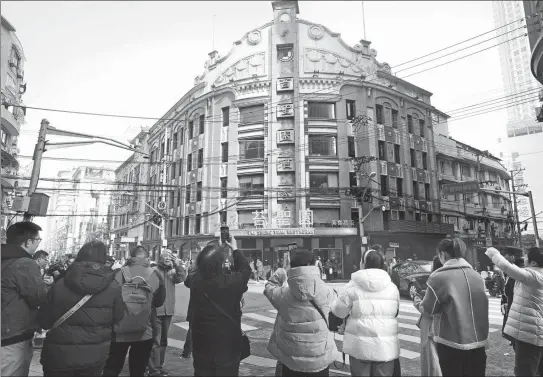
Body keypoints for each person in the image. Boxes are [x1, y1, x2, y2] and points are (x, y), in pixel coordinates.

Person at [37, 241, 125, 376]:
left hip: (59, 356)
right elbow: (118, 317)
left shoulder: (61, 283)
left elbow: (44, 320)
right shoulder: (113, 287)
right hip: (94, 356)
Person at [265, 248, 340, 377]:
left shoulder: (283, 295)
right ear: (313, 265)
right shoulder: (327, 292)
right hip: (320, 359)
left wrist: (283, 270)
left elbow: (269, 287)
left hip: (291, 361)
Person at [419, 238, 488, 376]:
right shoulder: (477, 276)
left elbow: (428, 310)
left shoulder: (438, 277)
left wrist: (419, 303)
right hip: (479, 342)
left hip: (451, 343)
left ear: (443, 254)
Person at [186, 236, 251, 375]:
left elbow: (191, 274)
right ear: (221, 265)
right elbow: (246, 270)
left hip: (201, 344)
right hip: (227, 345)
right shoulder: (231, 282)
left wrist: (216, 252)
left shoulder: (195, 281)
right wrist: (235, 249)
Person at [332, 249, 400, 376]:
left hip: (359, 347)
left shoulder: (352, 286)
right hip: (385, 347)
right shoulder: (392, 287)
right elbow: (395, 312)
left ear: (363, 263)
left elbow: (338, 311)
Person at [103, 246, 166, 377]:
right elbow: (159, 302)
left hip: (119, 330)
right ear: (147, 257)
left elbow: (109, 300)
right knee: (138, 370)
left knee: (112, 368)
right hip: (145, 330)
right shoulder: (155, 275)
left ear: (130, 257)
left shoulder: (119, 273)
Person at [486, 246, 543, 376]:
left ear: (534, 262)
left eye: (526, 256)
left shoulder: (533, 275)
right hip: (536, 331)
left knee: (525, 371)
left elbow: (507, 267)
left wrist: (493, 252)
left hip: (529, 334)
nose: (524, 259)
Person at [1, 222, 48, 377]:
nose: (37, 244)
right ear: (28, 242)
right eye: (37, 240)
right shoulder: (25, 263)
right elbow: (39, 297)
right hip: (13, 338)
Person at [148, 250, 186, 377]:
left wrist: (177, 265)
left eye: (169, 257)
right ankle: (153, 369)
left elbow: (183, 279)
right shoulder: (154, 270)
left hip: (168, 310)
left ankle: (159, 366)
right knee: (155, 340)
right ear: (160, 258)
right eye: (165, 256)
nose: (167, 258)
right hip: (156, 311)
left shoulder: (173, 271)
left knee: (163, 340)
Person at [413, 255, 443, 376]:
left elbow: (428, 309)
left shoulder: (435, 281)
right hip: (444, 327)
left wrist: (416, 300)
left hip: (431, 327)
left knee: (431, 361)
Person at [499, 247, 522, 347]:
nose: (503, 258)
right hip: (511, 310)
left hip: (517, 315)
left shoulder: (518, 274)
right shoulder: (510, 272)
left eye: (505, 255)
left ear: (513, 257)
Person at [181, 261, 197, 359]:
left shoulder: (192, 276)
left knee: (191, 330)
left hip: (194, 308)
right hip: (207, 309)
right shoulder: (213, 275)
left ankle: (187, 352)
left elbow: (186, 283)